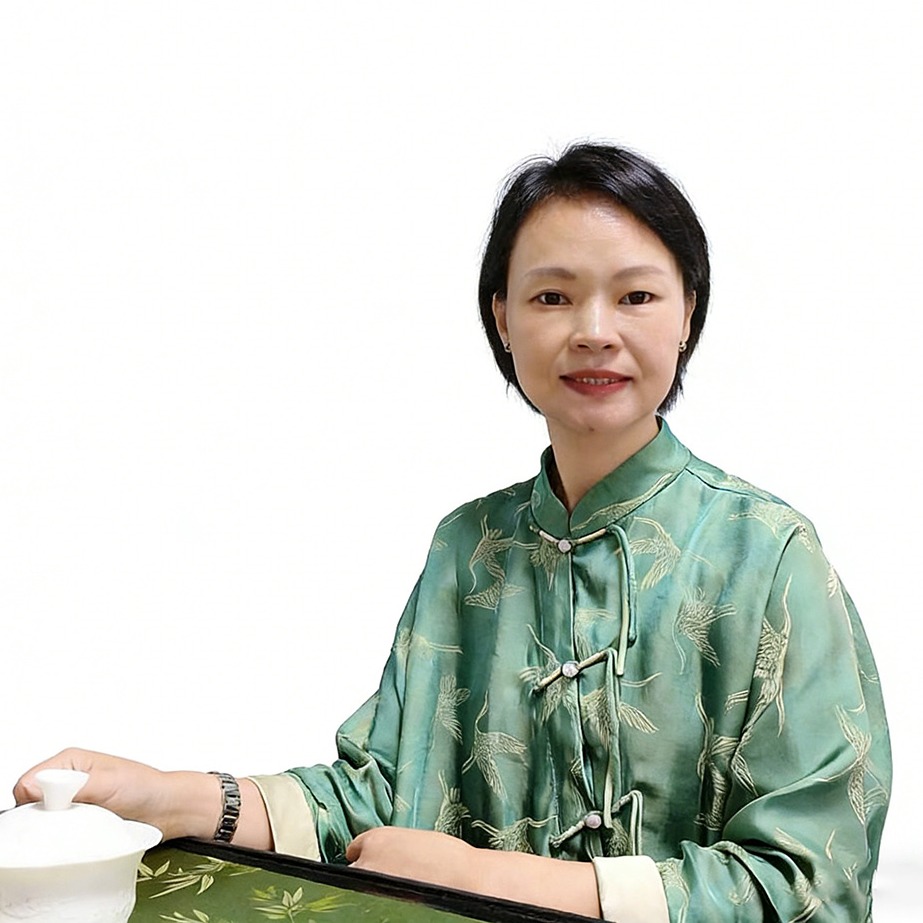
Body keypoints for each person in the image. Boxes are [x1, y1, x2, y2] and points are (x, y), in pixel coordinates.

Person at [14, 143, 891, 922]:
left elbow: (809, 882)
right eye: (552, 296)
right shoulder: (470, 547)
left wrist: (487, 877)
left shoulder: (766, 552)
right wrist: (165, 796)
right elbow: (383, 797)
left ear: (686, 312)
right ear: (503, 318)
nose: (594, 332)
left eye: (635, 295)